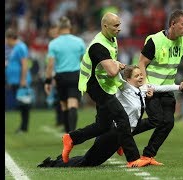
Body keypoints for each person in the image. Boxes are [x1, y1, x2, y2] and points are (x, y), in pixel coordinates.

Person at [37, 65, 183, 167]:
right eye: (136, 76)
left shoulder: (143, 89)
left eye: (141, 75)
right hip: (113, 132)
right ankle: (55, 163)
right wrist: (115, 66)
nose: (141, 77)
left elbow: (162, 88)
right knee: (89, 162)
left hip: (126, 131)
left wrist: (182, 87)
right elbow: (114, 75)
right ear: (128, 79)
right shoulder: (123, 88)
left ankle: (124, 145)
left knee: (155, 120)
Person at [61, 12, 150, 168]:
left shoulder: (111, 38)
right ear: (105, 26)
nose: (119, 28)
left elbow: (111, 64)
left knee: (103, 125)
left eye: (119, 25)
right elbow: (111, 71)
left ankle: (71, 138)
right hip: (95, 85)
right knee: (122, 117)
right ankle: (133, 158)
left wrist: (115, 63)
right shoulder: (97, 46)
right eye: (116, 25)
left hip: (105, 84)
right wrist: (116, 65)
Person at [137, 9, 183, 164]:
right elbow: (141, 63)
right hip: (151, 88)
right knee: (156, 119)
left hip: (167, 89)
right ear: (173, 24)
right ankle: (123, 134)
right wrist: (145, 86)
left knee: (168, 123)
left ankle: (147, 155)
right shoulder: (155, 40)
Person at [44, 16, 86, 133]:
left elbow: (50, 65)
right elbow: (85, 62)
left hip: (61, 77)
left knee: (64, 106)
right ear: (70, 27)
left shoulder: (53, 44)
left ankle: (68, 134)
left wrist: (47, 81)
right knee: (73, 104)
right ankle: (73, 133)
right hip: (75, 75)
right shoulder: (79, 41)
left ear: (59, 28)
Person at [5, 28, 33, 134]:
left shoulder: (21, 47)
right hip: (15, 80)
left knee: (24, 104)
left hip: (21, 81)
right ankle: (22, 127)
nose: (6, 42)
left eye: (7, 40)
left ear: (10, 38)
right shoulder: (16, 48)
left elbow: (24, 64)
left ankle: (24, 127)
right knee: (21, 104)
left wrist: (22, 80)